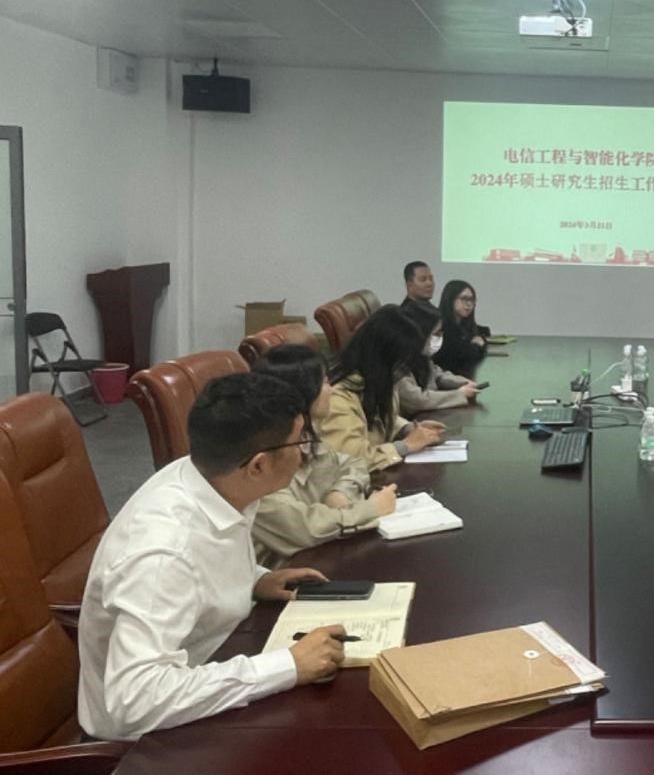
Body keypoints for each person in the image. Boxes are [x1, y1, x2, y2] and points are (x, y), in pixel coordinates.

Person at [78, 372, 348, 741]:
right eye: (300, 440)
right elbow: (134, 702)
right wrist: (287, 666)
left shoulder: (212, 479)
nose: (305, 452)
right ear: (258, 466)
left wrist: (254, 579)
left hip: (211, 663)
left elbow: (205, 561)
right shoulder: (163, 555)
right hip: (150, 740)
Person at [250, 344, 399, 567]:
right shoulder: (262, 458)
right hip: (279, 574)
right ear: (303, 393)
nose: (332, 390)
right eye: (325, 383)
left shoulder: (306, 438)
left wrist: (340, 491)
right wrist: (372, 509)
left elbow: (353, 463)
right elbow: (304, 529)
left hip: (318, 558)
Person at [318, 305, 447, 471]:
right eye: (399, 364)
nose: (402, 372)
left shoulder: (373, 379)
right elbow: (351, 459)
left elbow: (374, 420)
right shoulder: (338, 396)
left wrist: (407, 429)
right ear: (383, 359)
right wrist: (406, 446)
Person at [397, 300, 480, 415]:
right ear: (420, 333)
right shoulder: (398, 362)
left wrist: (464, 383)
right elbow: (417, 400)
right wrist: (458, 394)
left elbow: (438, 375)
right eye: (436, 334)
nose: (439, 338)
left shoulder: (422, 356)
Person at [434, 279, 491, 378]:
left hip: (462, 380)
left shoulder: (465, 326)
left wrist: (479, 344)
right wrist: (478, 346)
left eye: (472, 300)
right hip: (444, 381)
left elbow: (479, 340)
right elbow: (463, 355)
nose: (469, 304)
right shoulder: (440, 326)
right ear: (450, 299)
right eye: (464, 299)